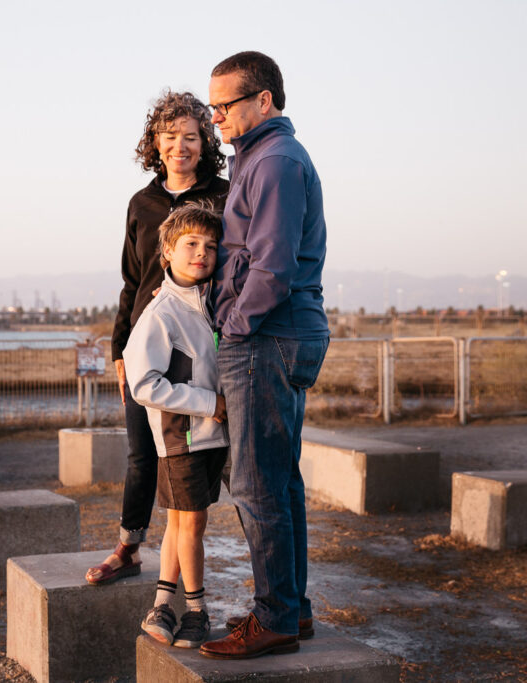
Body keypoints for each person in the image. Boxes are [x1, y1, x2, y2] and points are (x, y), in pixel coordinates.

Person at [198, 51, 330, 660]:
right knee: (281, 482)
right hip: (283, 334)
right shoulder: (264, 157)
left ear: (264, 101)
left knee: (255, 486)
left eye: (225, 105)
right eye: (214, 106)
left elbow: (271, 267)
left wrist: (232, 326)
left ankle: (274, 618)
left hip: (267, 336)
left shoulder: (273, 161)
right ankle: (292, 610)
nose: (216, 117)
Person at [85, 92, 228, 585]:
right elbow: (131, 281)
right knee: (141, 453)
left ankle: (187, 569)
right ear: (156, 143)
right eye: (170, 137)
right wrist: (119, 350)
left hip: (200, 340)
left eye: (190, 136)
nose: (180, 146)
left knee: (195, 458)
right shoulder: (141, 203)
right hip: (146, 341)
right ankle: (128, 546)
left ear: (205, 141)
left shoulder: (223, 197)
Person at [123, 204, 229, 648]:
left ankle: (162, 607)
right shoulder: (161, 312)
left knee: (181, 525)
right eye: (190, 244)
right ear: (166, 252)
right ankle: (197, 611)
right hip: (183, 439)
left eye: (209, 246)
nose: (201, 253)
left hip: (208, 437)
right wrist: (210, 404)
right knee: (193, 525)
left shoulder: (208, 302)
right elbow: (143, 384)